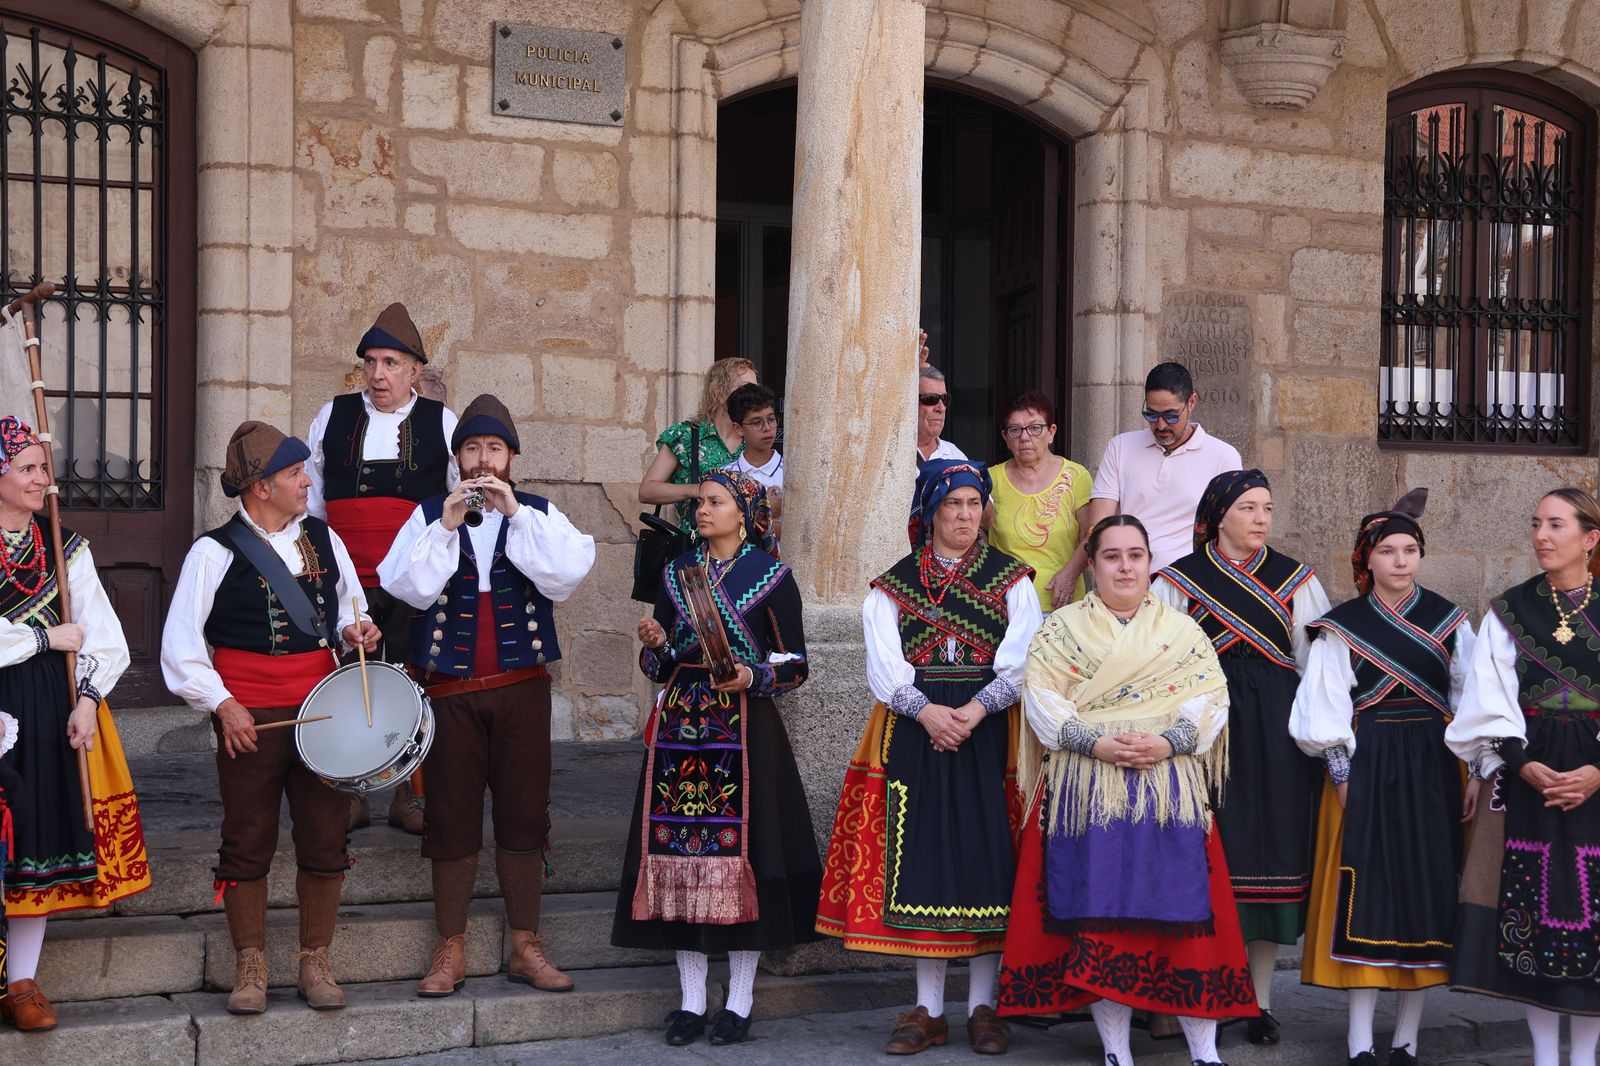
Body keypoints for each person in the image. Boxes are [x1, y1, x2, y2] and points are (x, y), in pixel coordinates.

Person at [997, 515, 1255, 1066]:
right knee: (1100, 925)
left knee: (1190, 923)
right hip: (1089, 791)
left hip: (1170, 790)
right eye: (1111, 556)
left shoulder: (1182, 632)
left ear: (1149, 564)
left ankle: (1204, 1053)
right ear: (1090, 566)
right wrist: (1098, 745)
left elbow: (1212, 700)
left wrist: (1169, 742)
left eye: (1135, 555)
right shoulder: (1059, 630)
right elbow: (1042, 702)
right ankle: (1117, 1053)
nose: (1125, 566)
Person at [816, 459, 1042, 1056]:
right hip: (916, 729)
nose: (965, 516)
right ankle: (930, 1009)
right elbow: (885, 665)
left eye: (974, 505)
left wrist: (973, 711)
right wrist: (928, 713)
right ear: (931, 512)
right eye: (953, 505)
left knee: (989, 855)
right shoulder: (893, 584)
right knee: (922, 857)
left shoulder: (1012, 578)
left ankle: (984, 1007)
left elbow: (1022, 656)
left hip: (988, 728)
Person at [377, 395, 595, 999]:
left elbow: (566, 575)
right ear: (456, 459)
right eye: (471, 450)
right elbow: (406, 589)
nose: (482, 461)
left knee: (525, 815)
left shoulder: (540, 514)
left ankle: (526, 945)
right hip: (448, 695)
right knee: (448, 816)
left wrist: (518, 516)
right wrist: (446, 525)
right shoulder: (428, 516)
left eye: (493, 450)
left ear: (511, 458)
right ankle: (450, 948)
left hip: (521, 693)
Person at [161, 420, 378, 1016]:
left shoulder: (324, 541)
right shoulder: (212, 552)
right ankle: (250, 964)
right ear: (260, 487)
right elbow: (180, 647)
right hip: (247, 718)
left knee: (325, 834)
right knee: (247, 840)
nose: (305, 482)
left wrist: (356, 629)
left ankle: (315, 959)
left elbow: (348, 613)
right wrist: (223, 704)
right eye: (292, 474)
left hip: (322, 719)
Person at [614, 470, 818, 1047]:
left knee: (745, 855)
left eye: (714, 501)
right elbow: (660, 664)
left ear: (743, 510)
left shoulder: (773, 577)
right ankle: (690, 999)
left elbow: (797, 664)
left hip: (745, 729)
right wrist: (654, 646)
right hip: (682, 728)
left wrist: (753, 674)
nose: (701, 510)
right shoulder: (679, 572)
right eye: (699, 502)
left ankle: (741, 1001)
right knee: (678, 851)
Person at [1290, 490, 1474, 1066]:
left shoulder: (1450, 620)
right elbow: (1322, 707)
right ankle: (1360, 1042)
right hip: (1366, 761)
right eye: (1388, 550)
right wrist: (1343, 775)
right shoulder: (1340, 627)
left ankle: (1408, 1040)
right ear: (1366, 558)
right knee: (1364, 888)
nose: (1400, 560)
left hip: (1435, 765)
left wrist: (1476, 768)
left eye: (1411, 550)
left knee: (1426, 889)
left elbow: (1472, 697)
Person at [1152, 469, 1329, 1045]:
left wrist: (1317, 737)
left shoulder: (1296, 580)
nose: (1261, 519)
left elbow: (1314, 665)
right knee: (1207, 856)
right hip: (1205, 732)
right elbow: (1159, 661)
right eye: (1249, 508)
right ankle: (1190, 992)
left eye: (1268, 509)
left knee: (1272, 859)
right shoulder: (1179, 581)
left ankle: (1257, 1001)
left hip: (1276, 734)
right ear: (1220, 513)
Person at [0, 416, 146, 1032]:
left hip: (47, 710)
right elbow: (49, 635)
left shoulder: (64, 546)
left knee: (33, 844)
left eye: (44, 468)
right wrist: (43, 635)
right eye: (28, 468)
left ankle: (22, 983)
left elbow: (106, 638)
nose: (42, 480)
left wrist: (86, 700)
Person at [1446, 487, 1600, 1066]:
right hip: (1527, 769)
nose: (1541, 535)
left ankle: (1584, 1057)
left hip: (1596, 770)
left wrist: (1596, 771)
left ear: (1590, 538)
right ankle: (1542, 1056)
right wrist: (1522, 763)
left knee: (1594, 918)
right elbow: (1486, 699)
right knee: (1532, 908)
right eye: (1536, 523)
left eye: (1556, 525)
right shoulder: (1510, 611)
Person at [305, 302, 458, 835]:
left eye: (391, 363)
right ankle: (350, 793)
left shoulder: (443, 422)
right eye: (371, 362)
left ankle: (411, 797)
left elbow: (456, 505)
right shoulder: (332, 415)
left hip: (411, 581)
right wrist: (318, 567)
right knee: (349, 680)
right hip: (347, 578)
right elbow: (313, 501)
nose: (378, 374)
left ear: (416, 370)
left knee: (412, 679)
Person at [1083, 362, 1242, 573]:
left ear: (1191, 402)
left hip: (1190, 585)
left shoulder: (1223, 457)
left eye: (1171, 415)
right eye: (1151, 414)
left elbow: (1232, 533)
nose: (1160, 425)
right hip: (1128, 581)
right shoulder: (1120, 447)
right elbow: (1099, 524)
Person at [987, 390, 1093, 610]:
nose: (1025, 437)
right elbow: (976, 535)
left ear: (1051, 432)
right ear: (1006, 438)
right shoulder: (990, 480)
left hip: (1063, 606)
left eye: (1035, 428)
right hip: (1006, 607)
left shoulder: (1076, 476)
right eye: (1015, 430)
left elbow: (1090, 535)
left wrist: (1070, 574)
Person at [639, 357, 755, 533]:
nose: (753, 396)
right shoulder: (686, 436)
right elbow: (647, 491)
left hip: (747, 549)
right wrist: (697, 489)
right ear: (720, 392)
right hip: (697, 549)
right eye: (745, 388)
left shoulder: (754, 438)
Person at [723, 383, 784, 549]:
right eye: (757, 422)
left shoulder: (790, 472)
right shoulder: (725, 477)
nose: (767, 428)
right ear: (739, 428)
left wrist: (746, 521)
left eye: (771, 419)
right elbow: (722, 530)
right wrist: (767, 509)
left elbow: (805, 530)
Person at [915, 365, 966, 464]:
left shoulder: (955, 456)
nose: (941, 408)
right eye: (930, 398)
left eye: (944, 399)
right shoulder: (890, 452)